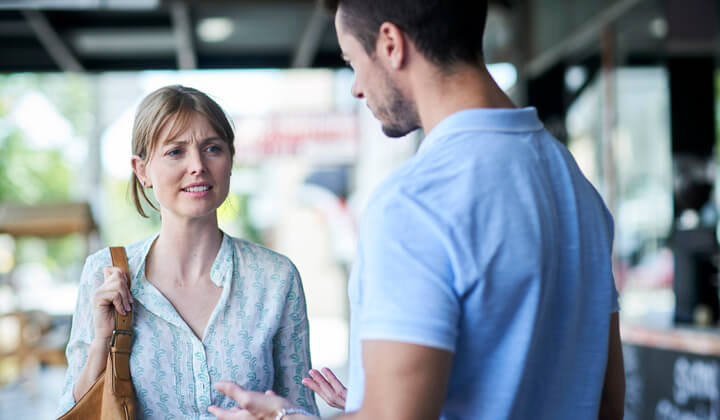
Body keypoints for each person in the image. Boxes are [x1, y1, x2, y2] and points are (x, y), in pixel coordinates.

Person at [209, 0, 625, 419]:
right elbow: (607, 404)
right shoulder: (574, 186)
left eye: (353, 60)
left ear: (391, 44)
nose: (356, 87)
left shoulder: (416, 201)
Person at [56, 85, 318, 419]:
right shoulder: (105, 272)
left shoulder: (276, 279)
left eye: (212, 148)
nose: (197, 165)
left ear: (230, 161)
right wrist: (103, 340)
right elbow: (72, 411)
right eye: (175, 152)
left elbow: (304, 411)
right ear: (142, 170)